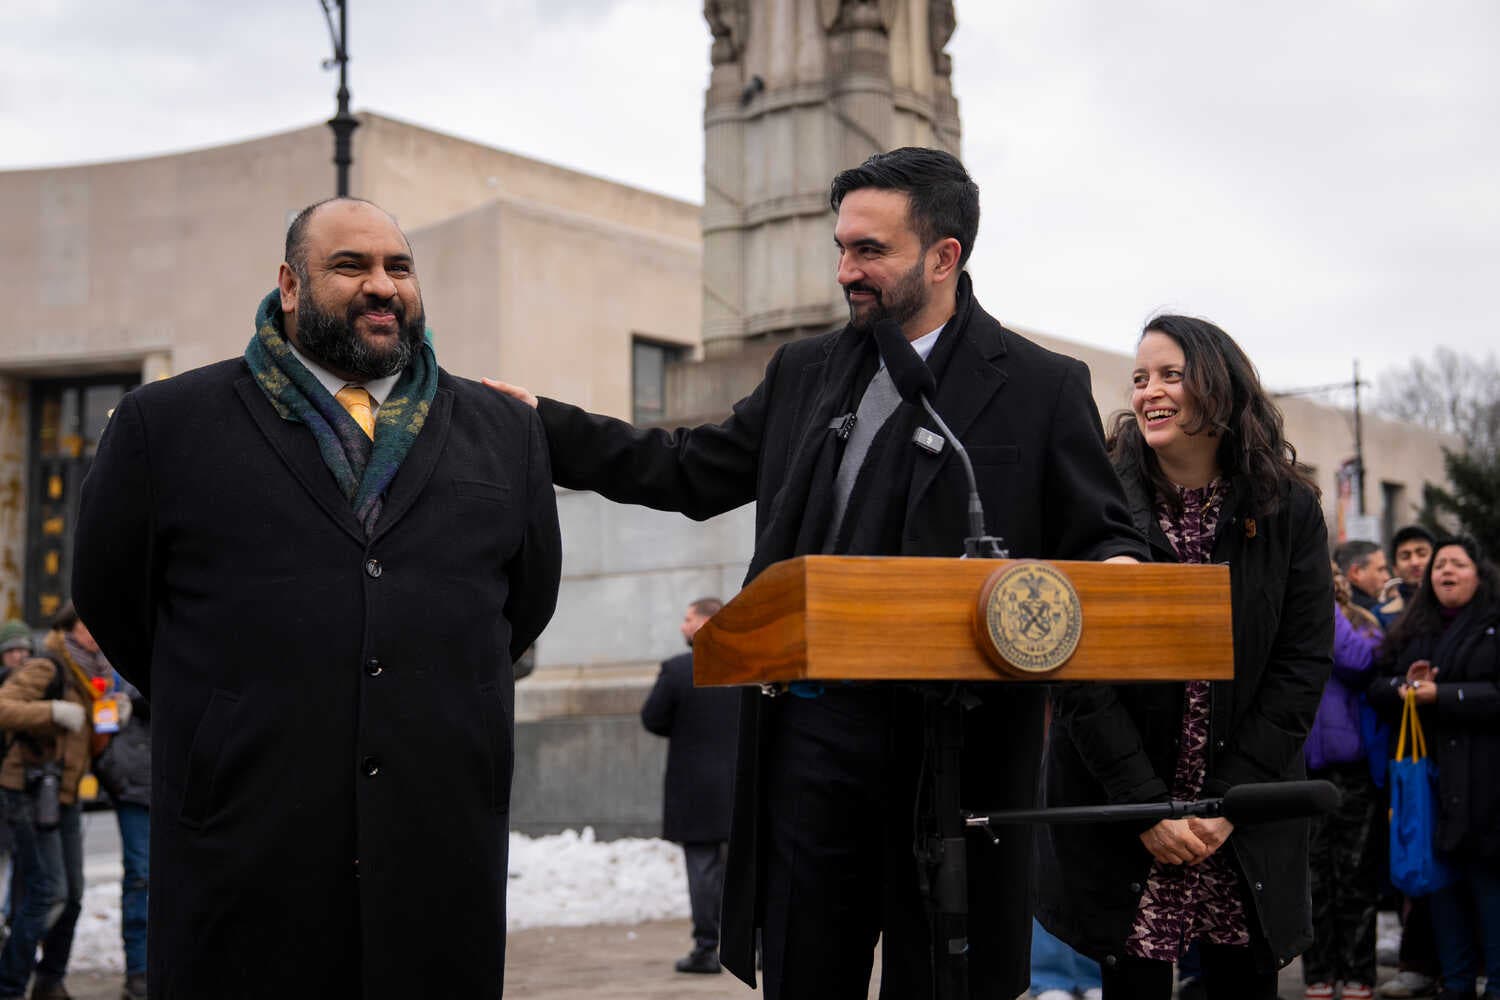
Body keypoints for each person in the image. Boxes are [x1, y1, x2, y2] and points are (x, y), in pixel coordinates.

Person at [486, 146, 1148, 999]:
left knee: (946, 974)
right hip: (812, 739)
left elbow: (1101, 531)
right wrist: (545, 429)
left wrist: (1118, 566)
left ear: (944, 256)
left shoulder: (1040, 385)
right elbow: (689, 469)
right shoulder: (807, 371)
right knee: (806, 969)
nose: (846, 270)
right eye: (841, 247)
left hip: (958, 748)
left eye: (869, 250)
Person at [70, 197, 563, 999]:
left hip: (437, 834)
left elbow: (526, 600)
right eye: (351, 266)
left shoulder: (503, 430)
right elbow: (113, 596)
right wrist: (230, 711)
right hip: (247, 837)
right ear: (290, 285)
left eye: (397, 267)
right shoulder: (166, 424)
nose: (382, 286)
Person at [1037, 315, 1333, 999]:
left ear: (1218, 385)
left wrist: (1231, 803)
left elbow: (1301, 664)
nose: (1149, 392)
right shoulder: (1095, 500)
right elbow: (1076, 672)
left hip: (1243, 815)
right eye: (1140, 378)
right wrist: (1145, 809)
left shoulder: (1288, 509)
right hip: (1127, 815)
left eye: (1171, 374)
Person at [1367, 536, 1500, 1000]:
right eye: (1439, 565)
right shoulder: (1414, 627)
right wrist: (1405, 687)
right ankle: (1457, 983)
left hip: (1486, 781)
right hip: (1432, 785)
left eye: (1457, 564)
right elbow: (1377, 684)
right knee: (1441, 888)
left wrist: (1444, 696)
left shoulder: (1492, 625)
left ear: (1478, 575)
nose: (1445, 571)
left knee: (1489, 887)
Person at [0, 604, 118, 1000]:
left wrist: (111, 718)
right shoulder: (49, 667)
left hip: (64, 796)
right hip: (31, 792)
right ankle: (10, 985)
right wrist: (50, 710)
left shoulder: (96, 675)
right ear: (67, 628)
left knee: (75, 895)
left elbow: (91, 743)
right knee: (48, 892)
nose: (94, 636)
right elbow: (2, 706)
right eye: (87, 628)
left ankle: (50, 980)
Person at [640, 597, 738, 976]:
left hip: (694, 786)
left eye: (688, 618)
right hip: (740, 783)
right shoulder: (746, 665)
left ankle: (707, 947)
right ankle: (758, 945)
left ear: (706, 622)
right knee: (746, 866)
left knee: (702, 868)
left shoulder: (678, 670)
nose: (683, 626)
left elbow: (653, 718)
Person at [1301, 561, 1385, 1000]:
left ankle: (1359, 971)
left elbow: (1357, 662)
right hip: (1303, 772)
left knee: (1354, 878)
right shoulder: (1288, 614)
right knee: (1312, 880)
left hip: (1351, 772)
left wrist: (1325, 607)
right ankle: (1319, 969)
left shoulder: (1362, 622)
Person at [91, 673, 149, 1000]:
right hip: (132, 789)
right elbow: (101, 727)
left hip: (171, 787)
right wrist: (109, 769)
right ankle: (138, 971)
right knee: (140, 878)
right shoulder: (111, 672)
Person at [1379, 525, 1436, 627]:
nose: (1414, 562)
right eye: (1405, 557)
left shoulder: (1453, 608)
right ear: (1395, 569)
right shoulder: (1382, 615)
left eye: (1422, 554)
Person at [1337, 540, 1392, 619]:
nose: (1387, 577)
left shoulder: (1334, 610)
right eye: (1380, 570)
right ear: (1356, 572)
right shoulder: (1375, 613)